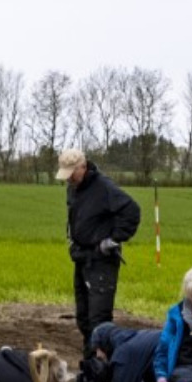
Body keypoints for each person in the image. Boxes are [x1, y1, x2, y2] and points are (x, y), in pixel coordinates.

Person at [59, 148, 142, 357]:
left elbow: (132, 210)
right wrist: (73, 238)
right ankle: (90, 364)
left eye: (71, 173)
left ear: (83, 167)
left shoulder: (104, 187)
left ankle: (106, 370)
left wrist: (113, 239)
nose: (68, 179)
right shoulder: (73, 188)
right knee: (83, 317)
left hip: (101, 260)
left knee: (100, 320)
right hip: (82, 257)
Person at [86, 322, 160, 382]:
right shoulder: (134, 337)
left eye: (98, 349)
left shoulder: (122, 355)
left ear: (105, 345)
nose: (98, 355)